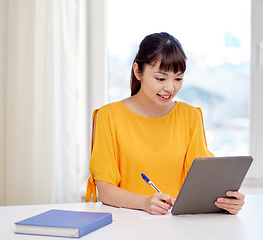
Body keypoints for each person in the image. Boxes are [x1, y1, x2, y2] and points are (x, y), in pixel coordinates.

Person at [85, 32, 245, 215]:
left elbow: (204, 182)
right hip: (126, 225)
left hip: (177, 226)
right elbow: (105, 190)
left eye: (178, 78)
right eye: (160, 78)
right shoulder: (109, 116)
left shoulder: (190, 116)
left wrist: (227, 201)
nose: (170, 88)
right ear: (138, 71)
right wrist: (145, 202)